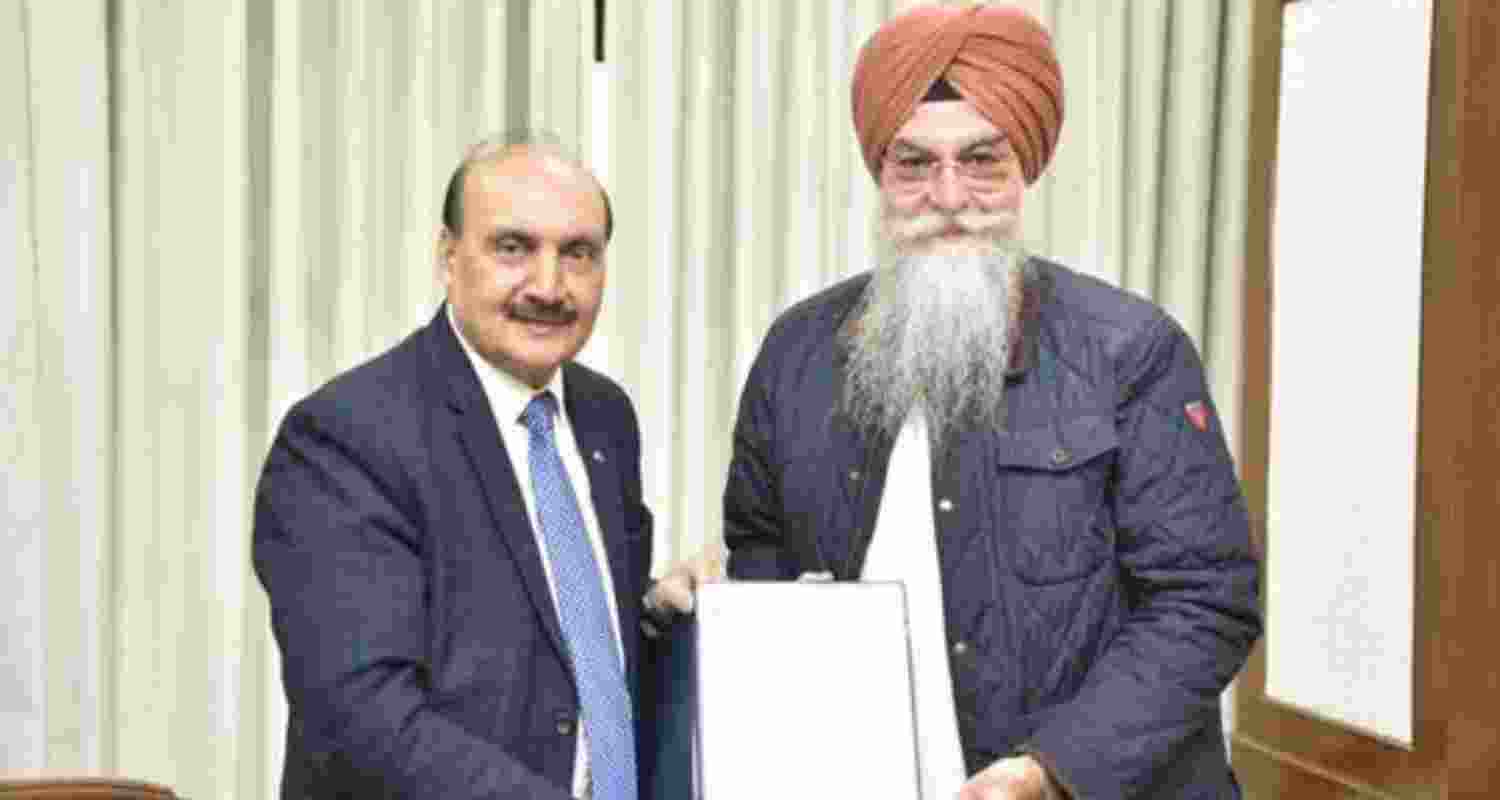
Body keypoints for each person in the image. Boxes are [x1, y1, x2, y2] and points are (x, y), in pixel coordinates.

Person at [651, 4, 1262, 799]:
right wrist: (715, 601)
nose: (948, 195)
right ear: (880, 174)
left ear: (1025, 168)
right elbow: (761, 559)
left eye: (981, 161)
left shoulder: (1130, 351)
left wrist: (1052, 771)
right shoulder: (795, 354)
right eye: (914, 164)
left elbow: (1205, 601)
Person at [253, 132, 653, 800]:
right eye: (513, 247)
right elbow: (363, 717)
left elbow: (563, 640)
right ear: (448, 256)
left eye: (578, 253)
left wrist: (659, 612)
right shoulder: (346, 437)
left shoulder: (605, 418)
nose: (549, 286)